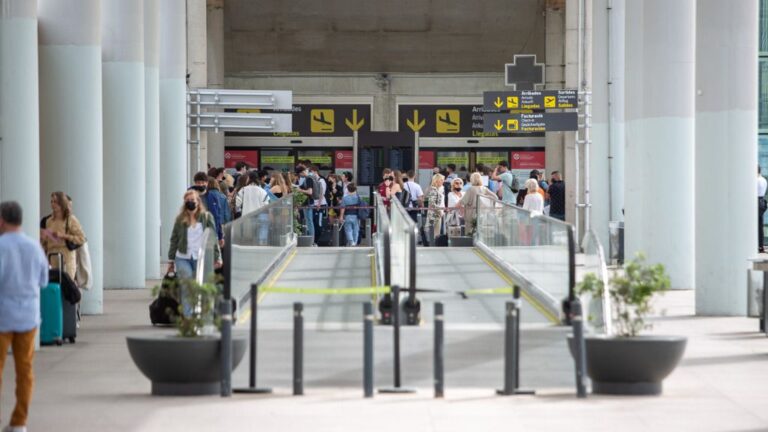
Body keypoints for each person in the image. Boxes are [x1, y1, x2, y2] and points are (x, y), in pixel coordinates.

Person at [0, 201, 49, 432]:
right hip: (28, 316)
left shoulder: (1, 246)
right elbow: (43, 281)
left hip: (3, 316)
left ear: (2, 220)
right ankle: (19, 422)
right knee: (25, 371)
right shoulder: (34, 246)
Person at [167, 190, 221, 280]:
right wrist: (171, 260)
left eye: (192, 200)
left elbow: (213, 238)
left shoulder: (206, 217)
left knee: (200, 284)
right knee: (186, 281)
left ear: (198, 201)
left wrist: (217, 257)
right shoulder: (180, 219)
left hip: (201, 257)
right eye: (187, 200)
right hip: (182, 256)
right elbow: (174, 239)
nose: (190, 202)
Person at [40, 191, 86, 279]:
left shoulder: (71, 219)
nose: (53, 204)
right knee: (54, 287)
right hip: (52, 256)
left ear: (62, 203)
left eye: (55, 202)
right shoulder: (48, 221)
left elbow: (81, 238)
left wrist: (64, 236)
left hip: (66, 257)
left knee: (67, 287)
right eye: (51, 201)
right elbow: (45, 243)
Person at [206, 177, 231, 246]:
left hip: (209, 223)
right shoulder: (223, 196)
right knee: (220, 243)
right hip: (221, 223)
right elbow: (226, 214)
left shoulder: (206, 196)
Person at [425, 174, 446, 246]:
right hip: (435, 215)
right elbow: (432, 203)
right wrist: (439, 210)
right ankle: (434, 246)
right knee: (435, 233)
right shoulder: (433, 190)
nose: (443, 181)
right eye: (441, 180)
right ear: (437, 181)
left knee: (436, 233)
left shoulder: (437, 189)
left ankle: (434, 245)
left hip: (437, 214)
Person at [296, 166, 316, 238]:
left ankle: (311, 239)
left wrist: (300, 190)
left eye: (299, 174)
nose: (300, 176)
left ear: (302, 172)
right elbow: (300, 187)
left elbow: (310, 192)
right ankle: (311, 238)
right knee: (308, 221)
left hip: (308, 203)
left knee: (309, 222)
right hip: (307, 203)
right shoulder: (307, 178)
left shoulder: (308, 179)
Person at [759, 166, 767, 253]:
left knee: (755, 225)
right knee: (760, 225)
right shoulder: (764, 179)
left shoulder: (756, 180)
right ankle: (760, 245)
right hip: (762, 201)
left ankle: (759, 245)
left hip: (756, 201)